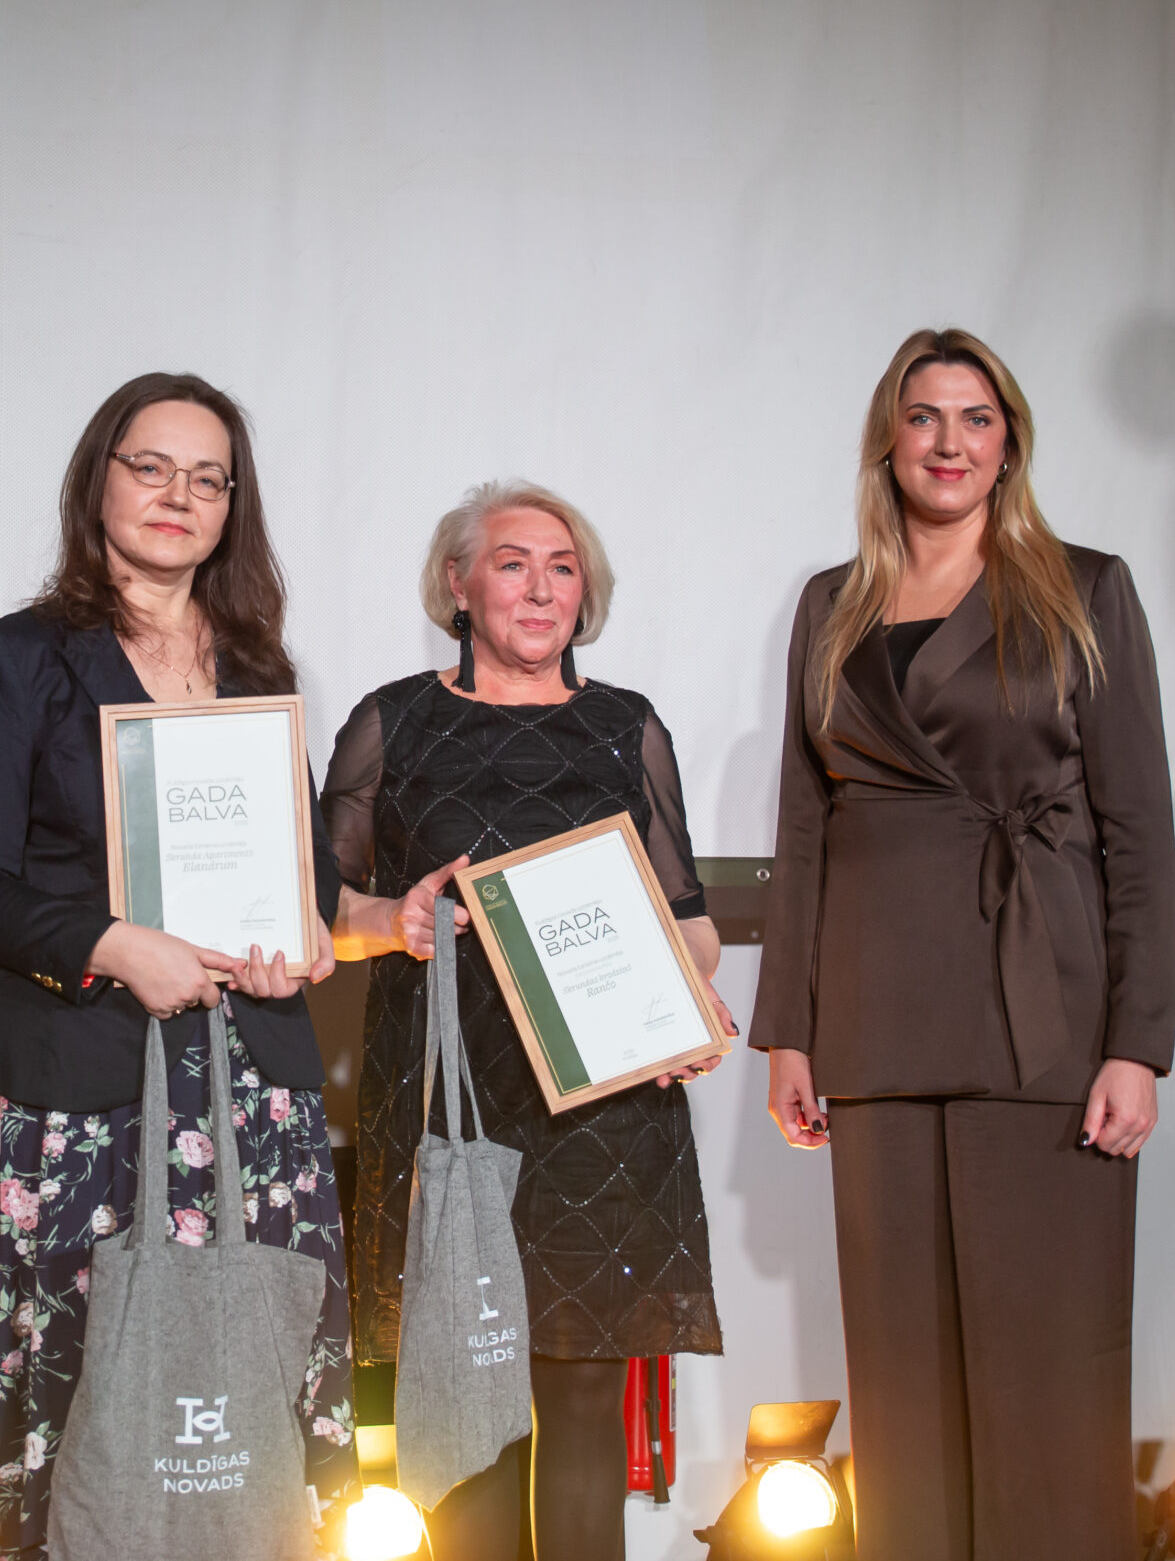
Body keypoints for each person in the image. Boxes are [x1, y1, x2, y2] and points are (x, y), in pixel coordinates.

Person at [750, 327, 1175, 1561]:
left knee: (1049, 1375)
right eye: (924, 416)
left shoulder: (1083, 588)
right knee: (901, 1391)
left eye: (975, 418)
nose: (949, 442)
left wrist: (1137, 1043)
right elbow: (803, 826)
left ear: (1008, 444)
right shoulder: (831, 604)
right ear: (889, 439)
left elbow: (1139, 831)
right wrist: (788, 1033)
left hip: (1039, 1014)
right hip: (875, 1020)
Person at [0, 371, 358, 1559]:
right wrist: (112, 947)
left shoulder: (258, 665)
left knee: (238, 1425)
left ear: (231, 507)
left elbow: (305, 871)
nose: (179, 495)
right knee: (78, 1415)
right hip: (82, 1097)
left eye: (208, 478)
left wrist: (306, 932)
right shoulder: (21, 656)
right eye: (151, 467)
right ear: (98, 480)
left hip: (251, 1095)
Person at [324, 481, 733, 1561]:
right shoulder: (392, 722)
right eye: (512, 563)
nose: (542, 587)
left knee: (587, 1397)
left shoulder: (624, 726)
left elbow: (688, 919)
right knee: (466, 1392)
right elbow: (321, 914)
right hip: (448, 1096)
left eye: (562, 566)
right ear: (457, 585)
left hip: (605, 1110)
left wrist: (688, 996)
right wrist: (394, 918)